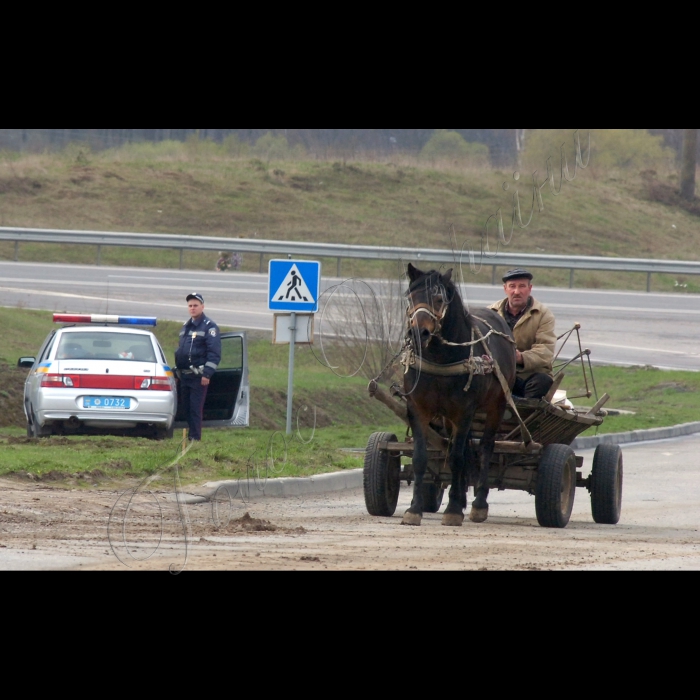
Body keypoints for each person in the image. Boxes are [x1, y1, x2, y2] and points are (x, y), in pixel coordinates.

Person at [489, 269, 556, 400]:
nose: (517, 292)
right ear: (505, 289)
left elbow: (545, 350)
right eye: (512, 286)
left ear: (530, 288)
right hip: (497, 374)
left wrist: (520, 358)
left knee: (543, 382)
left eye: (522, 286)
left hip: (527, 377)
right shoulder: (491, 313)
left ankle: (522, 415)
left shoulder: (543, 314)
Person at [174, 293, 222, 442]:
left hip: (198, 376)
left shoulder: (210, 327)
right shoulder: (185, 327)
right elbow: (181, 351)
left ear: (202, 307)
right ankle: (189, 435)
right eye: (190, 306)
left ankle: (195, 438)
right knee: (186, 408)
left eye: (195, 305)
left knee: (195, 408)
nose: (192, 308)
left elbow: (214, 353)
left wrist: (207, 374)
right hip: (184, 375)